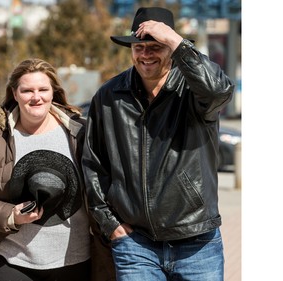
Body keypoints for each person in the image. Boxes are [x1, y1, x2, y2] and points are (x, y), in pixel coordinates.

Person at [81, 7, 235, 281]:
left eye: (155, 46)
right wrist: (110, 224)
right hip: (136, 244)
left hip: (196, 242)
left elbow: (219, 91)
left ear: (171, 48)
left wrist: (177, 42)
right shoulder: (109, 96)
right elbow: (93, 164)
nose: (146, 54)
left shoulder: (194, 91)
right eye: (140, 47)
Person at [0, 58, 114, 281]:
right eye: (27, 90)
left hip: (74, 259)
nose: (36, 97)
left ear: (54, 92)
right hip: (9, 257)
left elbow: (108, 183)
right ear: (14, 93)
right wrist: (11, 216)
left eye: (43, 89)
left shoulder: (81, 132)